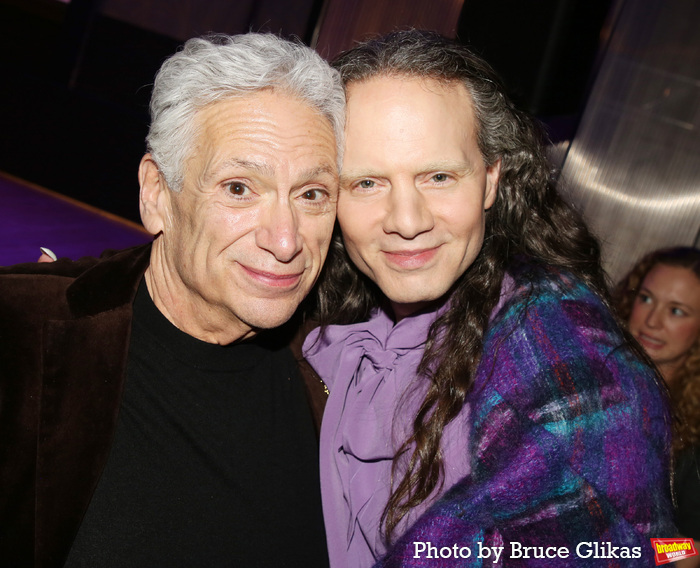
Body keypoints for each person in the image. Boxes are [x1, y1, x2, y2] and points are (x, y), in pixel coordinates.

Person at [303, 30, 675, 567]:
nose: (407, 221)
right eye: (366, 183)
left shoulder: (562, 356)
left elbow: (638, 549)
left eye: (438, 176)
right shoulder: (313, 317)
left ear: (490, 180)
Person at [0, 33, 344, 567]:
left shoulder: (346, 369)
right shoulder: (20, 339)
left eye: (312, 194)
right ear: (157, 195)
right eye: (238, 188)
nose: (285, 239)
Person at [617, 247, 700, 546]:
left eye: (676, 311)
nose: (652, 321)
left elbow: (691, 550)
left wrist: (634, 551)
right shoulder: (590, 375)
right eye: (646, 298)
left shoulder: (694, 433)